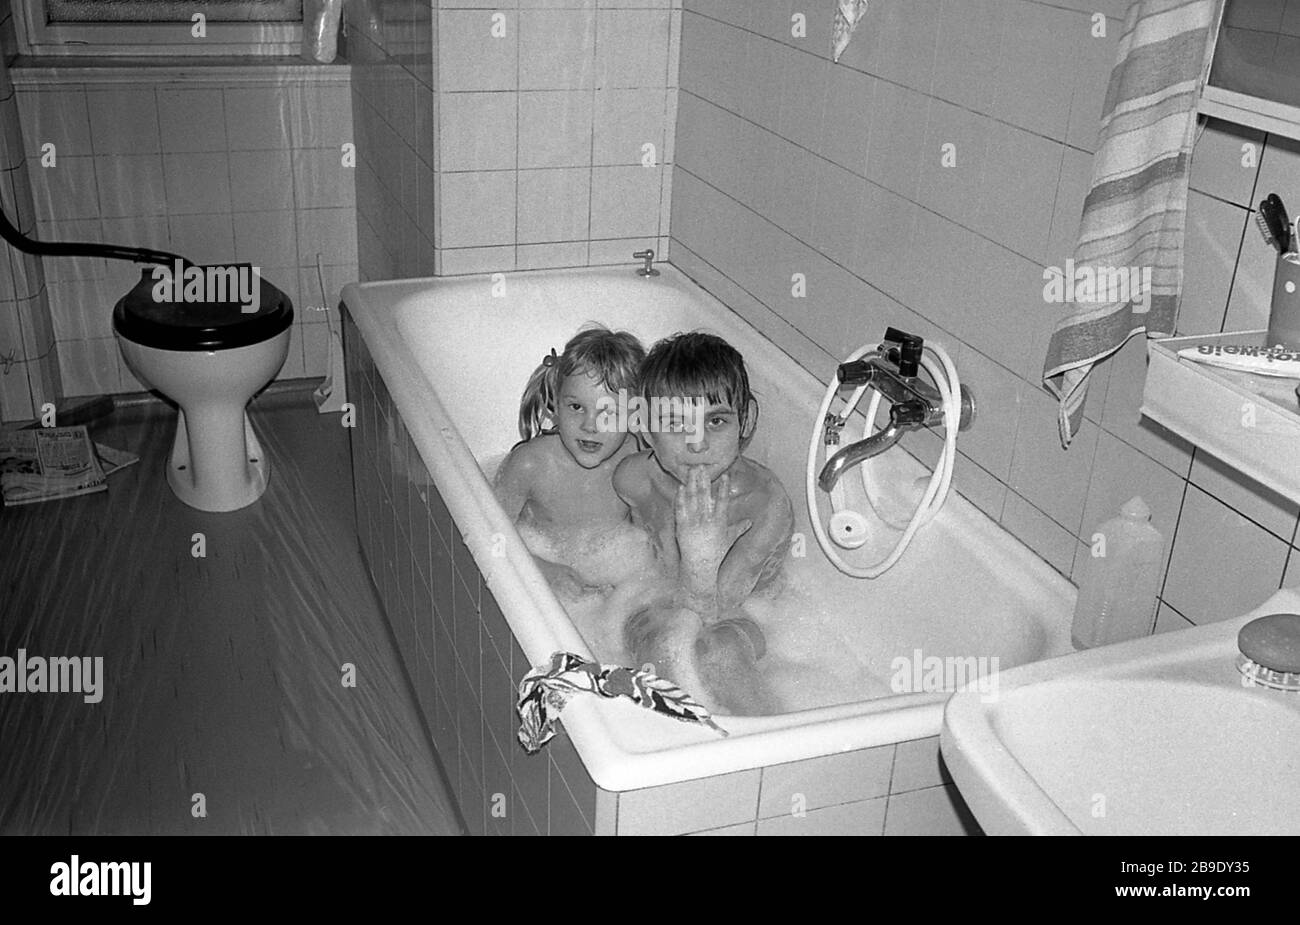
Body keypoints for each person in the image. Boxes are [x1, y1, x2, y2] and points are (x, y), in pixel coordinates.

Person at [613, 332, 793, 713]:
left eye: (716, 421)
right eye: (676, 423)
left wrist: (699, 554)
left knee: (719, 650)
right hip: (659, 606)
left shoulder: (763, 505)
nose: (697, 443)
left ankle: (769, 738)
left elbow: (713, 613)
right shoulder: (634, 479)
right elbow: (614, 552)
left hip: (740, 619)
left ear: (746, 421)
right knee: (657, 635)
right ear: (646, 430)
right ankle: (681, 743)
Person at [493, 327, 649, 593]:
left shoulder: (635, 457)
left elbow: (645, 539)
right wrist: (542, 569)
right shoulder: (530, 465)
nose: (590, 425)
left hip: (613, 584)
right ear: (556, 400)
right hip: (536, 580)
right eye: (576, 407)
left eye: (609, 413)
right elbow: (490, 536)